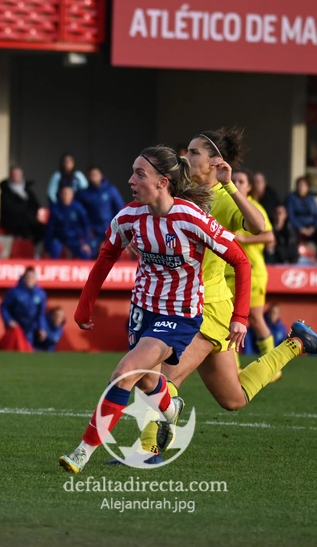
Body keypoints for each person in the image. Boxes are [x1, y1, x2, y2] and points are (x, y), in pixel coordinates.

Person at [128, 134, 317, 459]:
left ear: (215, 162)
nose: (187, 156)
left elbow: (259, 226)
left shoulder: (223, 198)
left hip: (207, 308)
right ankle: (298, 343)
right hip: (184, 302)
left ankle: (147, 450)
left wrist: (229, 186)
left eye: (195, 152)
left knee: (162, 378)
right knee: (234, 398)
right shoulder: (181, 191)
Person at [59, 145, 255, 473]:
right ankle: (170, 406)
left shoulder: (191, 218)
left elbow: (240, 259)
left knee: (125, 373)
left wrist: (241, 316)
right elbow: (106, 256)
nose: (130, 180)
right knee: (147, 381)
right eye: (133, 173)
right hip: (143, 310)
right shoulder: (128, 217)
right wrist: (84, 306)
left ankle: (83, 451)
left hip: (180, 314)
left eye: (140, 174)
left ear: (163, 182)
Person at [225, 170, 277, 360]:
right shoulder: (224, 204)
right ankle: (234, 369)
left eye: (241, 181)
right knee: (226, 322)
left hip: (253, 273)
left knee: (255, 318)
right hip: (227, 273)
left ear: (249, 187)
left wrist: (245, 239)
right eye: (234, 180)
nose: (237, 184)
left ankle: (273, 365)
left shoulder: (254, 207)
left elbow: (270, 236)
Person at [0, 266, 47, 349]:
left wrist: (42, 327)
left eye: (32, 277)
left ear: (35, 279)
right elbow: (4, 307)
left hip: (31, 328)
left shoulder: (40, 294)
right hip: (16, 327)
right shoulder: (14, 292)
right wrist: (9, 320)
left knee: (27, 349)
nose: (30, 279)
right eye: (28, 277)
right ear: (23, 278)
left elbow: (41, 314)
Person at [76, 167, 124, 246]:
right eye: (91, 175)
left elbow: (120, 209)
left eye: (95, 174)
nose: (93, 176)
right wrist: (87, 229)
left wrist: (118, 228)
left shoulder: (111, 190)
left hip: (111, 229)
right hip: (93, 232)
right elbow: (80, 214)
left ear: (101, 175)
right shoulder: (84, 194)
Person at [44, 185, 92, 260]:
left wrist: (86, 242)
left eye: (68, 193)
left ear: (72, 195)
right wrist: (47, 245)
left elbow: (86, 225)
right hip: (59, 238)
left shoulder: (78, 208)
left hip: (74, 238)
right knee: (53, 250)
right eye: (64, 193)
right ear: (60, 195)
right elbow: (50, 228)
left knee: (85, 253)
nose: (66, 196)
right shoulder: (55, 208)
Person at [0, 166, 43, 242]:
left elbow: (36, 205)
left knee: (42, 227)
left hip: (29, 218)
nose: (16, 177)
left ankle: (31, 246)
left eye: (18, 175)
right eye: (14, 174)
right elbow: (9, 208)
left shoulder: (27, 191)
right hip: (12, 220)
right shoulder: (6, 191)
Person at [286, 176, 317, 256]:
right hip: (297, 228)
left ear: (308, 187)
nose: (301, 188)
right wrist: (301, 228)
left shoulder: (311, 198)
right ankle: (295, 258)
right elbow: (291, 216)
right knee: (292, 238)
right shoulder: (291, 198)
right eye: (299, 185)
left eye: (303, 185)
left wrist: (314, 228)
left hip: (311, 228)